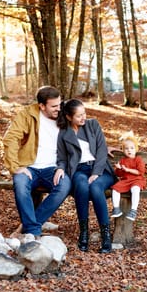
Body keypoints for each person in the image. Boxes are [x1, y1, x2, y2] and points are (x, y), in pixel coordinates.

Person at [2, 86, 72, 238]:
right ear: (41, 106)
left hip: (52, 169)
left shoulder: (64, 115)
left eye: (59, 104)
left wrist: (104, 146)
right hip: (29, 167)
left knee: (64, 185)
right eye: (53, 106)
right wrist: (15, 167)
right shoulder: (28, 115)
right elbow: (11, 138)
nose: (58, 109)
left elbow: (84, 130)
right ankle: (33, 229)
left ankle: (30, 226)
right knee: (20, 183)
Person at [56, 99, 116, 253]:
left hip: (101, 170)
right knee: (82, 186)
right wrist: (61, 168)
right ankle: (84, 232)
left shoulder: (93, 124)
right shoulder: (64, 133)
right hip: (79, 171)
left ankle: (106, 234)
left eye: (84, 114)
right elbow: (62, 157)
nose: (83, 118)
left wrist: (96, 173)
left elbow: (102, 150)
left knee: (96, 188)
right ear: (69, 117)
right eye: (79, 116)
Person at [110, 131, 146, 221]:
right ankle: (116, 209)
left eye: (132, 148)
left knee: (135, 189)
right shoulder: (123, 161)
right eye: (126, 148)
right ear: (123, 150)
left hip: (137, 180)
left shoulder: (138, 159)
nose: (129, 150)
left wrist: (128, 170)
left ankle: (133, 210)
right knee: (115, 189)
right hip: (126, 181)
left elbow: (140, 172)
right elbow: (119, 174)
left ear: (136, 149)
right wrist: (118, 168)